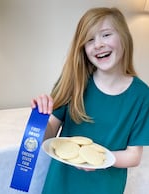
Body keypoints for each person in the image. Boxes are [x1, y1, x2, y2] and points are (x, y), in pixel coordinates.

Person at [31, 7, 149, 194]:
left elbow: (134, 155)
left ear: (124, 38)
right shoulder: (73, 81)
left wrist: (99, 159)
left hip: (105, 188)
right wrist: (39, 120)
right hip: (61, 184)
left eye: (106, 35)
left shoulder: (142, 95)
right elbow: (50, 132)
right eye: (89, 40)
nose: (98, 44)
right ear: (83, 48)